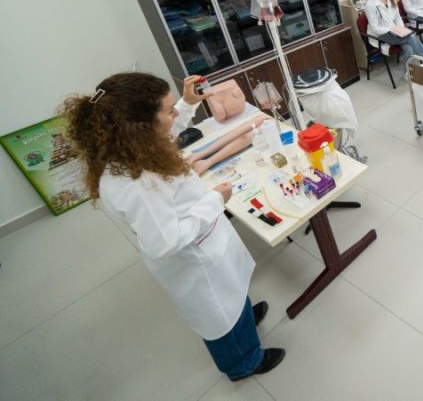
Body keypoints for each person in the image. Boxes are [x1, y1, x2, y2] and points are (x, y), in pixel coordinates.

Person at [59, 73, 285, 381]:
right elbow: (165, 242)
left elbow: (168, 133)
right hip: (195, 259)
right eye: (169, 111)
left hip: (208, 241)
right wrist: (215, 199)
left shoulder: (131, 147)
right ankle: (243, 363)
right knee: (219, 314)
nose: (175, 114)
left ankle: (242, 320)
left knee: (232, 292)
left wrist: (187, 104)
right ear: (141, 127)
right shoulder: (136, 184)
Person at [364, 0, 423, 71]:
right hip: (380, 35)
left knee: (409, 49)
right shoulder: (370, 5)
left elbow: (397, 18)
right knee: (411, 37)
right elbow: (375, 28)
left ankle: (407, 73)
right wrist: (393, 30)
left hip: (395, 32)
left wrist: (400, 29)